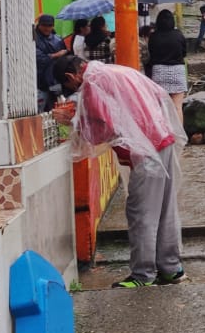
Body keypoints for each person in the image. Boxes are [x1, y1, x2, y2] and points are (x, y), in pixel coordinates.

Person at [53, 55, 184, 289]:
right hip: (163, 139)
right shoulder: (116, 71)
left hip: (145, 149)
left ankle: (143, 275)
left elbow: (103, 129)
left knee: (141, 212)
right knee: (165, 208)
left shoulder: (93, 84)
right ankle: (171, 267)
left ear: (71, 77)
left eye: (70, 86)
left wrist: (72, 120)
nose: (74, 90)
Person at [146, 10, 188, 120]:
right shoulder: (179, 35)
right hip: (177, 71)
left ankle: (165, 134)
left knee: (161, 107)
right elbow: (184, 53)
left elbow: (151, 54)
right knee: (177, 106)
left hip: (159, 72)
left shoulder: (153, 36)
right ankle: (180, 136)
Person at [34, 15, 67, 112]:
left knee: (56, 111)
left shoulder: (58, 39)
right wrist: (56, 55)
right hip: (40, 83)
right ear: (39, 25)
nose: (47, 28)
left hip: (55, 81)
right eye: (44, 25)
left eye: (49, 25)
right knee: (39, 111)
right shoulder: (34, 39)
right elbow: (38, 58)